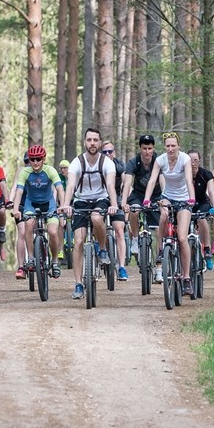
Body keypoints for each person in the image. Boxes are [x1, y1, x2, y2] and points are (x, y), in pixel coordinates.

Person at [58, 127, 119, 300]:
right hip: (81, 201)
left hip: (101, 199)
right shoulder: (77, 162)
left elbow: (110, 186)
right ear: (84, 142)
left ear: (100, 143)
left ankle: (102, 249)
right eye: (89, 140)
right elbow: (69, 186)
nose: (92, 143)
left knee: (97, 217)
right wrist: (65, 205)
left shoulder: (107, 162)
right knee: (78, 241)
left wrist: (114, 204)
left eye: (95, 140)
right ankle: (78, 284)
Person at [142, 132, 197, 297]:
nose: (171, 149)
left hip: (184, 199)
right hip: (168, 197)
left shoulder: (185, 159)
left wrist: (192, 198)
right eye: (168, 146)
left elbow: (188, 180)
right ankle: (160, 249)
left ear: (178, 146)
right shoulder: (161, 160)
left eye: (173, 145)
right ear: (164, 147)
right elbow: (152, 180)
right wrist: (146, 199)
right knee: (164, 216)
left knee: (181, 238)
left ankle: (186, 277)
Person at [12, 145, 66, 280]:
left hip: (49, 204)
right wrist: (16, 208)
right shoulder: (25, 172)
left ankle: (54, 261)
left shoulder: (50, 170)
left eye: (38, 159)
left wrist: (63, 205)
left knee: (53, 232)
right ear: (29, 160)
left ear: (43, 159)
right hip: (31, 204)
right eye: (32, 159)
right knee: (28, 225)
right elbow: (19, 191)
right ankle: (31, 257)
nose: (35, 162)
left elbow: (60, 189)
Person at [121, 134, 163, 283]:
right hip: (138, 195)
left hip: (156, 196)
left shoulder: (159, 161)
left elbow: (163, 180)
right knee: (134, 210)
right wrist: (124, 202)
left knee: (159, 230)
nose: (147, 151)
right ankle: (135, 238)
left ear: (153, 148)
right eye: (144, 148)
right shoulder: (133, 162)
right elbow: (127, 183)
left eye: (150, 148)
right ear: (140, 149)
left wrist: (164, 198)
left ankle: (159, 269)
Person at [101, 140, 129, 281]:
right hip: (99, 198)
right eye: (104, 152)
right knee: (96, 224)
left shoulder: (119, 165)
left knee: (119, 230)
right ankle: (98, 251)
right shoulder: (98, 164)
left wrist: (124, 200)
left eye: (109, 151)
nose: (107, 154)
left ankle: (122, 267)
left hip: (116, 198)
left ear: (114, 153)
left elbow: (125, 181)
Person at [187, 149, 214, 271]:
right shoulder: (182, 174)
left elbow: (211, 191)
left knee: (202, 219)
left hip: (202, 203)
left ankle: (207, 249)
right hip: (187, 204)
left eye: (195, 160)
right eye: (190, 161)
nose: (193, 163)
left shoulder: (206, 174)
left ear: (199, 161)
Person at [8, 152, 31, 279]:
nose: (30, 164)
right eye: (26, 161)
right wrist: (10, 201)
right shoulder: (21, 171)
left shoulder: (43, 171)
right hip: (21, 204)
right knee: (22, 232)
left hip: (37, 204)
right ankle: (21, 266)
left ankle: (42, 258)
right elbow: (15, 187)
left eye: (32, 160)